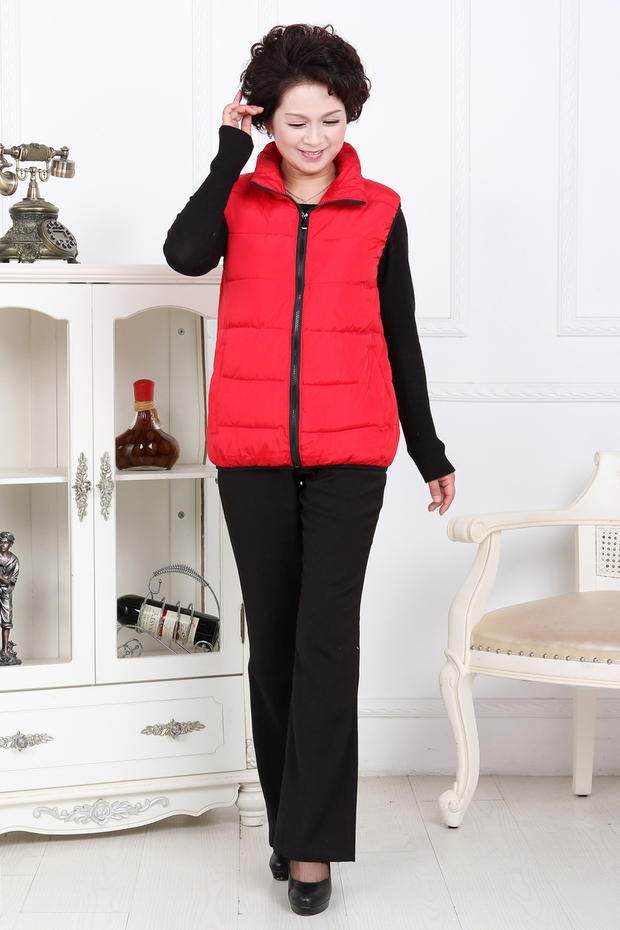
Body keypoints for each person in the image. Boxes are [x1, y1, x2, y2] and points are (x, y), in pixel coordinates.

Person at [163, 22, 456, 917]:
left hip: (350, 455)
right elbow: (184, 254)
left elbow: (399, 334)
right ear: (266, 119)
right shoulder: (240, 199)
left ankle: (313, 848)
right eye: (295, 122)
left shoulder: (380, 210)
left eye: (331, 120)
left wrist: (428, 449)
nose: (316, 138)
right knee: (276, 643)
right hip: (250, 454)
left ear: (349, 116)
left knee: (326, 642)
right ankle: (291, 824)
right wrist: (228, 152)